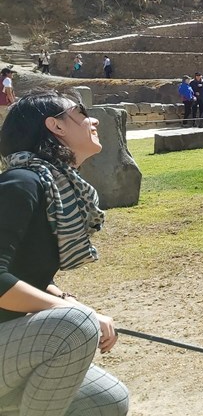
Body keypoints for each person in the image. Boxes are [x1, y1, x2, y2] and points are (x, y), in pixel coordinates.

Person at [0, 90, 129, 415]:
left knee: (108, 401)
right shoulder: (20, 184)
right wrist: (77, 313)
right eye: (82, 112)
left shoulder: (55, 187)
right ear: (55, 127)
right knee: (75, 324)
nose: (93, 119)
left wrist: (68, 300)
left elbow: (25, 272)